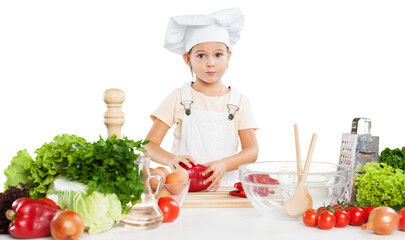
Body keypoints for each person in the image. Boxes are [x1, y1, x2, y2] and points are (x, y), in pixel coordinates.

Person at [144, 7, 258, 191]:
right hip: (182, 191)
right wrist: (171, 159)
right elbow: (148, 146)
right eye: (201, 55)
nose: (210, 62)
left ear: (229, 56)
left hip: (224, 191)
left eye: (218, 55)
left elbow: (252, 151)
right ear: (187, 59)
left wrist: (223, 165)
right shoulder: (178, 97)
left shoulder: (239, 101)